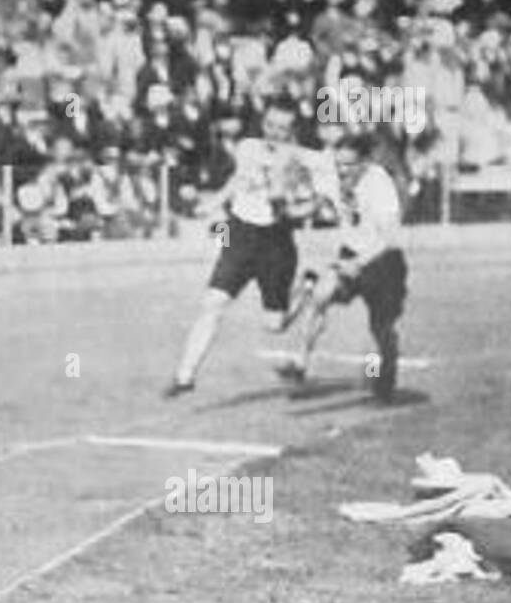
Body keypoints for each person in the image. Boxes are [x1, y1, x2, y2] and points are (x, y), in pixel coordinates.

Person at [164, 103, 329, 397]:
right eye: (270, 125)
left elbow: (323, 193)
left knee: (275, 325)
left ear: (292, 131)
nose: (274, 133)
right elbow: (237, 181)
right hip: (238, 234)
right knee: (213, 302)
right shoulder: (248, 148)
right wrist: (212, 203)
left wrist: (303, 204)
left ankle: (305, 289)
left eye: (282, 128)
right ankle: (184, 376)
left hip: (276, 242)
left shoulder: (305, 159)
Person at [277, 134, 408, 403]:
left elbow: (391, 238)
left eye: (349, 165)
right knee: (320, 294)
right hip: (350, 253)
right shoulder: (331, 174)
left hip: (383, 261)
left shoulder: (379, 184)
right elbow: (299, 159)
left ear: (365, 163)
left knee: (380, 328)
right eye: (338, 164)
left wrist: (358, 263)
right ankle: (300, 364)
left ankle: (383, 378)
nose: (342, 171)